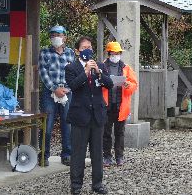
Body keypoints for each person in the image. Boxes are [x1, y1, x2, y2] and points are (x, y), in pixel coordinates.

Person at [65, 36, 113, 195]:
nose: (88, 50)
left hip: (97, 115)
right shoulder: (71, 67)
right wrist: (85, 72)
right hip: (80, 115)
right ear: (77, 51)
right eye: (84, 47)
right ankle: (76, 185)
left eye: (90, 47)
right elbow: (73, 85)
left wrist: (98, 73)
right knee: (78, 152)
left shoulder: (99, 65)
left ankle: (97, 184)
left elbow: (110, 84)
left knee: (97, 152)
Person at [38, 25, 75, 166]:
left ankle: (67, 154)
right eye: (53, 35)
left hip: (67, 93)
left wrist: (67, 88)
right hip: (49, 93)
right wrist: (55, 89)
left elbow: (74, 72)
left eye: (58, 35)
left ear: (65, 37)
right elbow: (43, 73)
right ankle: (44, 155)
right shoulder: (45, 52)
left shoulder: (70, 53)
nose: (56, 37)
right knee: (47, 124)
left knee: (67, 124)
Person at [102, 41, 138, 167]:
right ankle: (106, 156)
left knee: (120, 132)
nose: (115, 55)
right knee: (105, 132)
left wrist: (128, 85)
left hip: (120, 105)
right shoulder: (102, 67)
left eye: (118, 53)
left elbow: (134, 84)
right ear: (109, 53)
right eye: (113, 53)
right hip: (106, 105)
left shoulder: (126, 68)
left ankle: (119, 157)